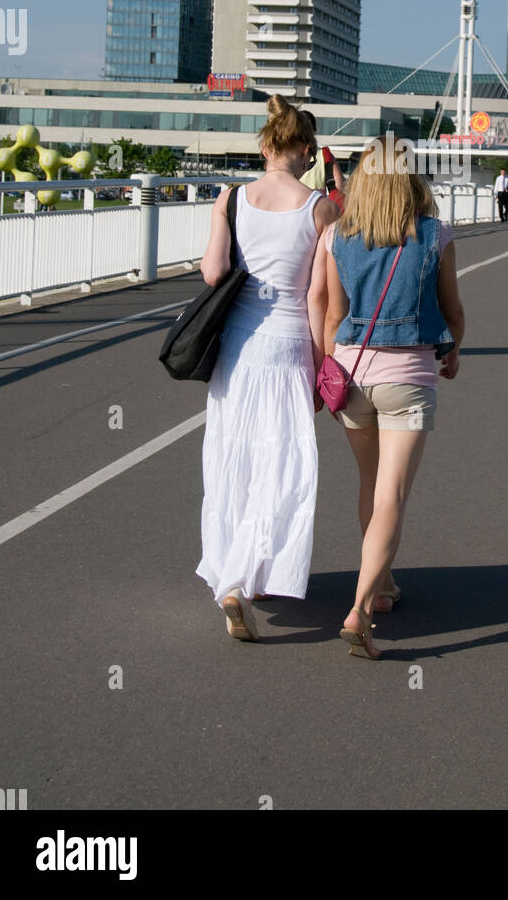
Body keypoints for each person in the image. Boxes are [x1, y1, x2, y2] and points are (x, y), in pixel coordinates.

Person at [196, 96, 340, 640]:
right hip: (289, 346)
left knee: (232, 457)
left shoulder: (232, 199)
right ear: (304, 150)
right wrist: (324, 365)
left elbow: (214, 274)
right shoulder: (320, 208)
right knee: (280, 465)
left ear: (265, 146)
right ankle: (253, 573)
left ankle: (230, 577)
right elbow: (319, 299)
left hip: (238, 346)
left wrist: (218, 218)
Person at [324, 136, 465, 660]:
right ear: (410, 177)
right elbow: (452, 309)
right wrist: (453, 349)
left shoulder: (339, 235)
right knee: (393, 495)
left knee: (369, 484)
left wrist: (328, 365)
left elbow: (334, 315)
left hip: (352, 373)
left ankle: (381, 585)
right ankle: (359, 610)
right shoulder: (435, 234)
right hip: (408, 378)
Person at [300, 111, 345, 210]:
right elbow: (340, 186)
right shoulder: (325, 155)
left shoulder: (289, 154)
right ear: (315, 130)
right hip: (318, 209)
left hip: (294, 207)